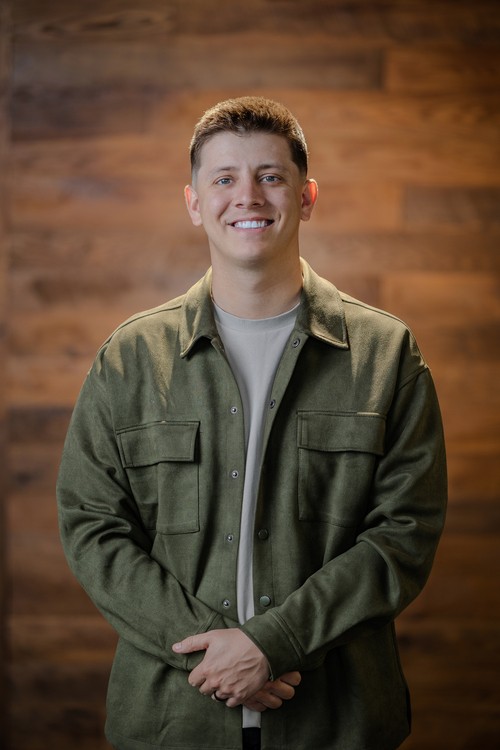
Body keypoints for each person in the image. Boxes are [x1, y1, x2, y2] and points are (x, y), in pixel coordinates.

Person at [57, 96, 447, 750]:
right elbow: (92, 527)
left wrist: (274, 644)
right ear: (193, 203)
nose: (248, 196)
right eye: (224, 178)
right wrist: (215, 657)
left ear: (307, 197)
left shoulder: (387, 355)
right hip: (171, 725)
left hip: (338, 723)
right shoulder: (129, 360)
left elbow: (405, 534)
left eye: (271, 176)